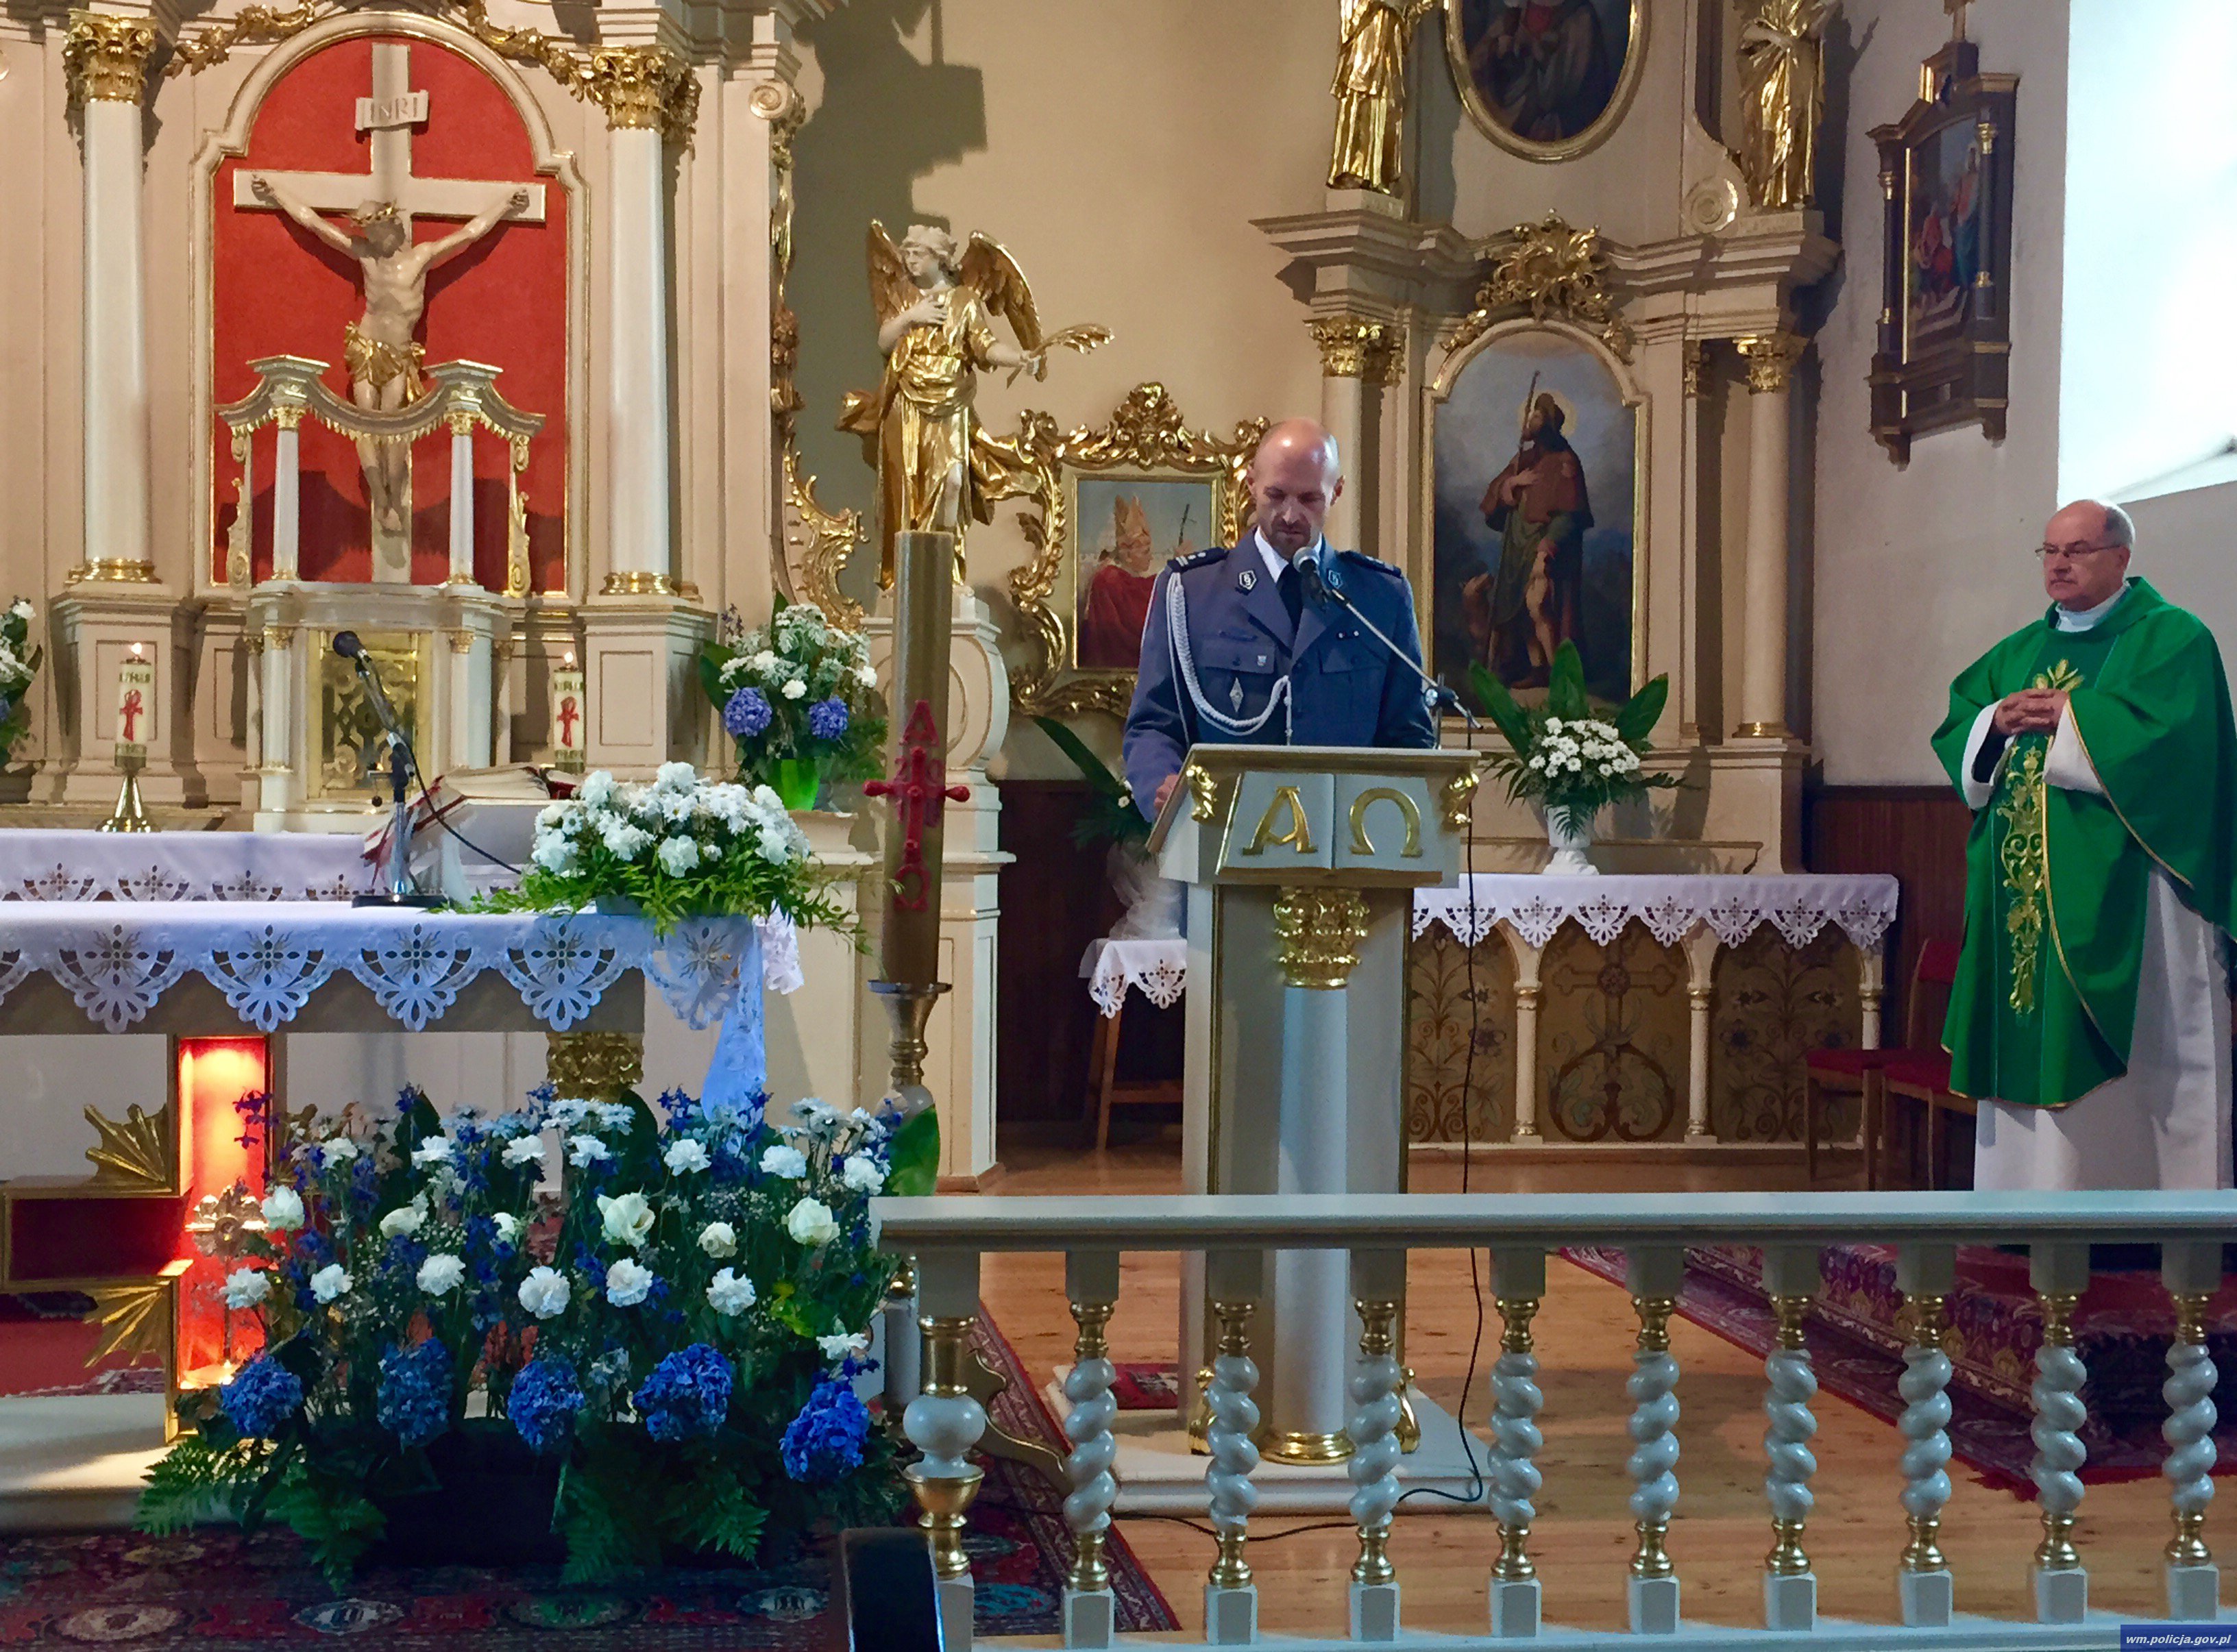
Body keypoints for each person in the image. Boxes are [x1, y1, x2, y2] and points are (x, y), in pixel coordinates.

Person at [1932, 500, 2237, 1190]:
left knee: (2141, 1056)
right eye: (2049, 551)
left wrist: (2078, 717)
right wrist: (1994, 721)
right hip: (2024, 899)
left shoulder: (2173, 638)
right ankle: (2019, 1206)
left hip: (2139, 897)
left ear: (2121, 557)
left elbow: (2185, 747)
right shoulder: (2019, 651)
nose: (2059, 564)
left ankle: (2144, 1208)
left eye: (2076, 550)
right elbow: (1960, 728)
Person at [1123, 419, 1439, 819]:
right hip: (1223, 827)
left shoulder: (1379, 597)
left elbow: (1407, 736)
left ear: (1337, 492)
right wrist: (1162, 784)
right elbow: (1153, 724)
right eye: (1276, 495)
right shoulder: (1191, 591)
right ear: (1251, 484)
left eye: (1309, 499)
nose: (1290, 515)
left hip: (1347, 835)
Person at [249, 175, 530, 537]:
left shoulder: (421, 257)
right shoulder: (366, 256)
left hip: (399, 353)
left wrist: (505, 207)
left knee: (394, 423)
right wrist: (275, 195)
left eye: (377, 230)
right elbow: (314, 224)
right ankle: (380, 498)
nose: (373, 238)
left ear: (393, 227)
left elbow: (470, 234)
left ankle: (395, 495)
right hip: (366, 347)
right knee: (365, 420)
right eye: (369, 232)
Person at [1463, 392, 1590, 689]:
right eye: (1530, 415)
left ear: (1548, 424)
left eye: (1536, 416)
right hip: (1516, 545)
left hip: (1542, 545)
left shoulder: (1564, 462)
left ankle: (1561, 675)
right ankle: (1538, 669)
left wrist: (1546, 551)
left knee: (1538, 606)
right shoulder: (1525, 459)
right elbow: (1496, 494)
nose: (1529, 421)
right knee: (1520, 613)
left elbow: (1569, 515)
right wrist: (1512, 484)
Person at [1469, 0, 1619, 145]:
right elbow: (1476, 71)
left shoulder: (1581, 18)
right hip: (1501, 129)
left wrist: (1534, 49)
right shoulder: (1515, 11)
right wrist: (1497, 50)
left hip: (1558, 132)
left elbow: (1575, 94)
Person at [1079, 496, 1159, 669]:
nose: (1151, 557)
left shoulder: (1121, 580)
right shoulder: (1109, 580)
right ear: (1128, 556)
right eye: (1146, 552)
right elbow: (1139, 620)